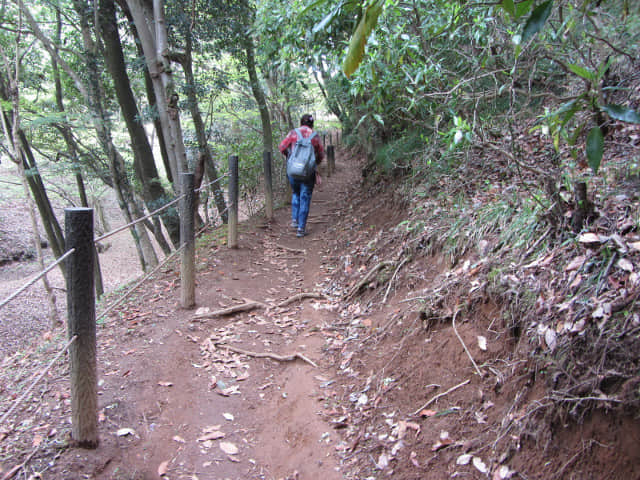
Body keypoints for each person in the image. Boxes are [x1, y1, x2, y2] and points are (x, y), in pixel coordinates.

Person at [279, 114, 324, 237]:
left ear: (301, 122)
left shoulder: (293, 133)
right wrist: (314, 164)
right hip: (308, 172)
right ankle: (301, 229)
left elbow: (282, 147)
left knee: (296, 193)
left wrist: (290, 157)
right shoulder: (315, 136)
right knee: (305, 197)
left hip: (293, 171)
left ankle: (295, 220)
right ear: (312, 124)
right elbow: (321, 154)